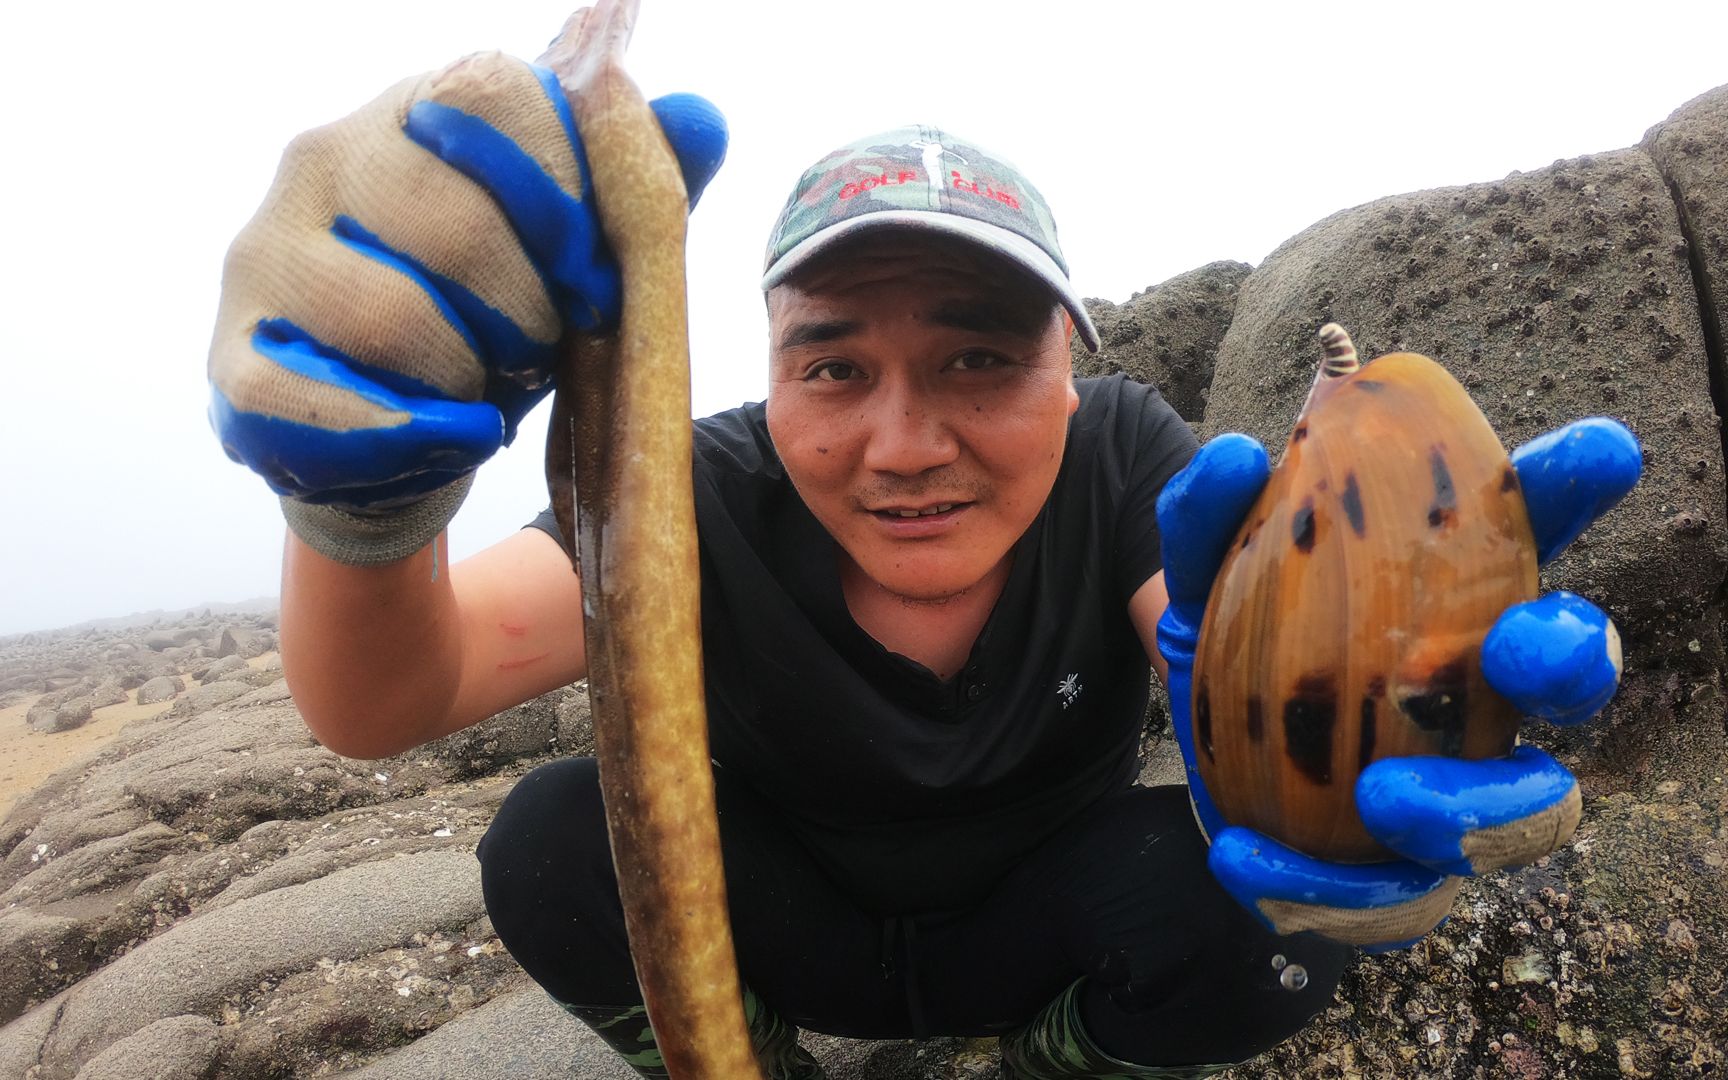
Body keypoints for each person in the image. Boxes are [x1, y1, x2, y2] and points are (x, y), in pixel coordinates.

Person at [207, 50, 1638, 1080]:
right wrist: (367, 509)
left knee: (1266, 920)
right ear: (769, 375)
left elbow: (1208, 621)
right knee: (546, 840)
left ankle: (1044, 1066)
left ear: (1070, 369)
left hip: (1037, 925)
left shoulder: (1124, 455)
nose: (903, 444)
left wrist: (1332, 718)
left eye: (980, 358)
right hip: (783, 927)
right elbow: (393, 694)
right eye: (833, 364)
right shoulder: (693, 493)